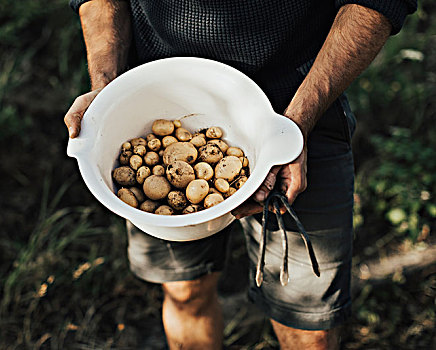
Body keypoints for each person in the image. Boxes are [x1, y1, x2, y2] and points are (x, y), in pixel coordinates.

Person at [64, 1, 417, 349]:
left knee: (308, 322)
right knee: (185, 292)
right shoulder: (155, 160)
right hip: (153, 91)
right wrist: (105, 93)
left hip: (302, 99)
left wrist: (294, 127)